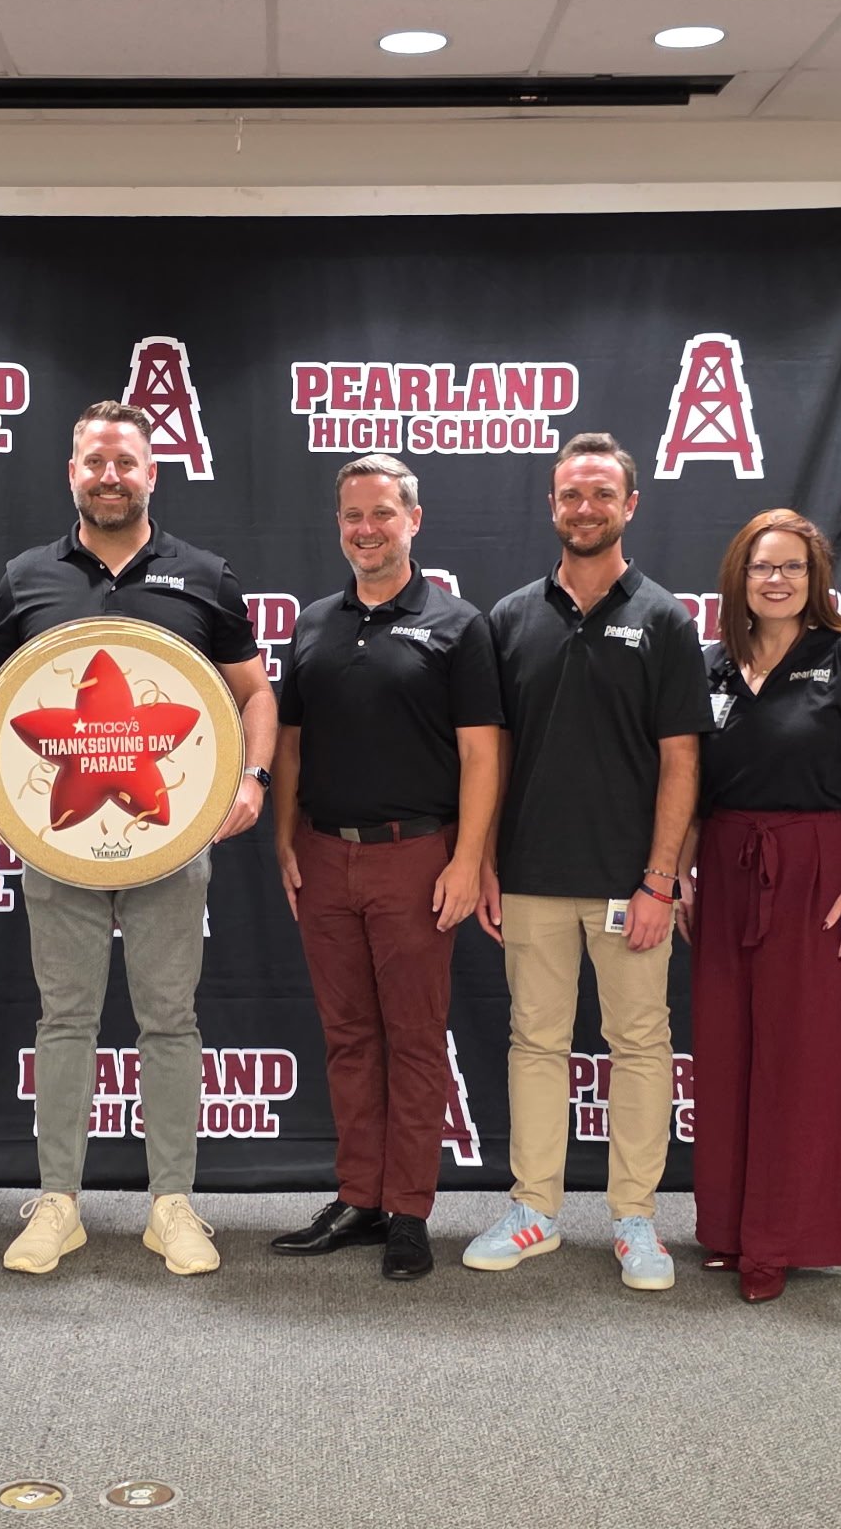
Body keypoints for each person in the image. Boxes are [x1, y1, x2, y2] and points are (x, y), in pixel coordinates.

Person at [0, 400, 277, 1277]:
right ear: (72, 473)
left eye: (125, 462)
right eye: (94, 460)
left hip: (171, 842)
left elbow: (253, 692)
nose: (109, 475)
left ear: (151, 473)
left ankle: (170, 1204)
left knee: (169, 1019)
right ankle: (59, 1201)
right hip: (57, 843)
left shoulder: (203, 575)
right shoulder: (28, 575)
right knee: (65, 1018)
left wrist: (251, 777)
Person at [464, 433, 711, 1289]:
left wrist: (659, 878)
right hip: (531, 877)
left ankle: (636, 1220)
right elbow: (490, 754)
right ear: (552, 505)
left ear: (629, 505)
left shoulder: (666, 618)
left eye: (602, 494)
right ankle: (535, 1209)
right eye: (572, 495)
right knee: (534, 1043)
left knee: (639, 1045)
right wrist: (488, 863)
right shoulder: (508, 618)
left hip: (628, 885)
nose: (585, 508)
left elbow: (682, 761)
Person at [268, 455, 502, 1281]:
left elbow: (482, 754)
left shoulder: (456, 624)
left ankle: (409, 1208)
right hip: (325, 857)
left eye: (381, 514)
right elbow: (289, 743)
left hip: (416, 857)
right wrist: (285, 841)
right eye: (351, 517)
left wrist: (468, 860)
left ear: (413, 520)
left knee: (413, 1039)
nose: (365, 529)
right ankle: (359, 1197)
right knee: (348, 1038)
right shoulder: (311, 622)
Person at [679, 509, 841, 1304]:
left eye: (793, 569)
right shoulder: (711, 665)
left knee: (803, 1055)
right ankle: (733, 1227)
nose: (776, 580)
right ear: (738, 577)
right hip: (727, 866)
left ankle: (783, 1238)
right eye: (762, 567)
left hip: (817, 870)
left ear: (817, 581)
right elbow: (691, 788)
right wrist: (682, 875)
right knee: (730, 1047)